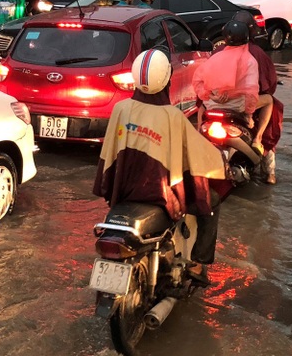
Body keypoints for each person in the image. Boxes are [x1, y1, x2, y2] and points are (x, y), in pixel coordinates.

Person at [93, 49, 228, 286]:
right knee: (212, 201)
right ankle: (198, 263)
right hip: (161, 197)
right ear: (166, 79)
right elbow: (197, 155)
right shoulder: (172, 116)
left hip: (124, 193)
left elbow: (108, 157)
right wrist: (221, 162)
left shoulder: (121, 109)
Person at [230, 11, 283, 184]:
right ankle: (270, 173)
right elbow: (269, 85)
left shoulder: (220, 50)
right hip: (248, 102)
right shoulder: (256, 53)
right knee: (271, 115)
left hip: (219, 101)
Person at [192, 21, 263, 151]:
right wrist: (249, 115)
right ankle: (258, 139)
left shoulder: (215, 58)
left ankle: (198, 133)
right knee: (268, 101)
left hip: (212, 106)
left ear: (225, 39)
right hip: (237, 108)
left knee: (201, 106)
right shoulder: (250, 61)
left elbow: (197, 81)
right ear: (247, 38)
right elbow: (251, 93)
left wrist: (212, 97)